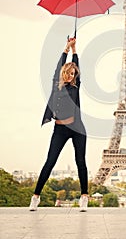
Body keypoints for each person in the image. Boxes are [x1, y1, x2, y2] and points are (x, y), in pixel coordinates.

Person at [29, 38, 88, 212]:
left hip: (77, 129)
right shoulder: (56, 85)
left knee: (80, 162)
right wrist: (67, 48)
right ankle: (36, 197)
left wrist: (75, 50)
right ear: (63, 73)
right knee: (50, 162)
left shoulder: (75, 87)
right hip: (60, 129)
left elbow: (76, 67)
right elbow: (59, 66)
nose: (70, 76)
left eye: (73, 74)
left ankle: (84, 196)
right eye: (68, 73)